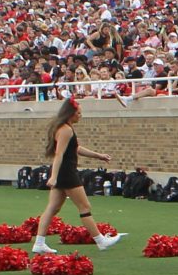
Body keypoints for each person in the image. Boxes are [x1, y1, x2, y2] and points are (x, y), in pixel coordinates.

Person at [31, 99, 124, 255]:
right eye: (79, 113)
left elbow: (76, 148)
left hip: (63, 172)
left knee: (53, 208)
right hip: (66, 173)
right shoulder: (66, 130)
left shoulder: (64, 128)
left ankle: (39, 243)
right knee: (85, 206)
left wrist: (98, 156)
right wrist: (53, 176)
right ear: (70, 114)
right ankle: (101, 241)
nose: (81, 116)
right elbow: (59, 154)